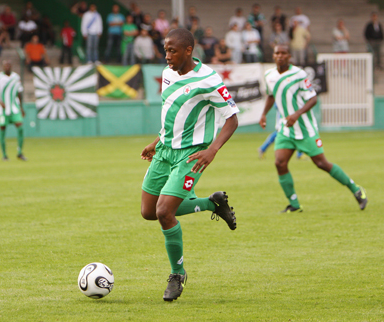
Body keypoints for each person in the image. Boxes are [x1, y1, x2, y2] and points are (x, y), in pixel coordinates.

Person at [140, 28, 239, 301]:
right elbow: (173, 114)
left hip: (192, 155)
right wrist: (157, 141)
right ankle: (212, 203)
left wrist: (213, 150)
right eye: (165, 49)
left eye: (172, 50)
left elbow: (232, 118)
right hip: (164, 151)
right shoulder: (168, 73)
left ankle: (177, 274)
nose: (167, 55)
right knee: (148, 212)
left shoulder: (209, 80)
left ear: (188, 51)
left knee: (164, 212)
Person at [260, 44, 368, 213]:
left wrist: (296, 115)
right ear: (273, 56)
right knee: (280, 163)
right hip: (285, 129)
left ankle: (356, 189)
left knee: (321, 163)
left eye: (283, 53)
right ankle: (294, 205)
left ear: (289, 56)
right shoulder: (269, 75)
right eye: (277, 53)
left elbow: (313, 99)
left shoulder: (299, 74)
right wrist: (264, 114)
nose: (280, 56)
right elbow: (271, 95)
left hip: (305, 129)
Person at [0, 59, 26, 161]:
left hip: (14, 107)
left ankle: (19, 152)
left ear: (11, 66)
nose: (7, 67)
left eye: (8, 65)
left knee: (20, 128)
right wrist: (0, 102)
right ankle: (4, 155)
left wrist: (21, 107)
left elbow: (19, 93)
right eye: (5, 65)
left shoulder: (16, 77)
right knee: (2, 129)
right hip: (2, 110)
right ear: (2, 66)